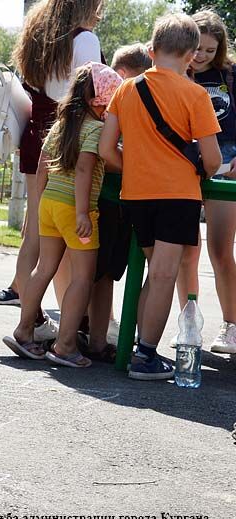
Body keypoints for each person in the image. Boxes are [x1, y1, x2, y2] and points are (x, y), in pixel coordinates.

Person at [99, 13, 222, 380]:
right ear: (190, 55)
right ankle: (147, 355)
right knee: (165, 274)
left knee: (154, 272)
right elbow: (213, 160)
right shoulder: (195, 94)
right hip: (177, 195)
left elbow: (107, 149)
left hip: (135, 194)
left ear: (151, 51)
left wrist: (137, 167)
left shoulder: (126, 89)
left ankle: (141, 346)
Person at [0, 0, 105, 343]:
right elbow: (90, 91)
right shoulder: (84, 40)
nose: (100, 13)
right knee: (65, 235)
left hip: (38, 135)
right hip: (69, 137)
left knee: (36, 233)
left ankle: (34, 318)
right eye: (98, 5)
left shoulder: (40, 35)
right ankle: (71, 321)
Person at [4, 63, 122, 367]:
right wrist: (83, 212)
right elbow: (84, 169)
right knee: (83, 277)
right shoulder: (96, 128)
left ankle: (24, 329)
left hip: (50, 204)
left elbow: (43, 164)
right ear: (105, 100)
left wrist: (38, 205)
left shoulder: (60, 125)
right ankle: (66, 344)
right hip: (76, 208)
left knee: (44, 268)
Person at [80, 45, 153, 363]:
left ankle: (97, 340)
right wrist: (138, 163)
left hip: (120, 201)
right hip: (103, 202)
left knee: (107, 274)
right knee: (92, 275)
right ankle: (75, 335)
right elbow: (102, 157)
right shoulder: (105, 112)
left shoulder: (125, 107)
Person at [173, 10, 236, 356]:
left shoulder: (229, 73)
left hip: (227, 161)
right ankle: (189, 323)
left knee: (221, 250)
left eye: (210, 51)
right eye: (198, 48)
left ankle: (232, 326)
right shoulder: (176, 73)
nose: (202, 56)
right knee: (186, 252)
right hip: (185, 160)